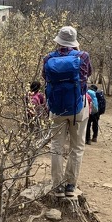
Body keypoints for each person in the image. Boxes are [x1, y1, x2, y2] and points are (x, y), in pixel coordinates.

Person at [42, 26, 92, 198]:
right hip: (78, 108)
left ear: (58, 41)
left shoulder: (48, 58)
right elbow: (88, 75)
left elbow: (45, 78)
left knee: (56, 146)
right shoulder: (83, 57)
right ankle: (71, 185)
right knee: (77, 147)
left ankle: (57, 184)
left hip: (57, 109)